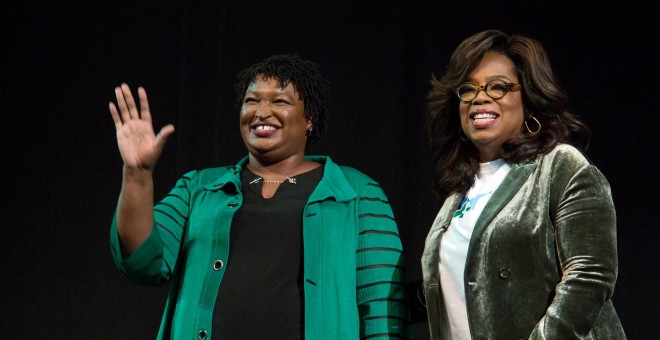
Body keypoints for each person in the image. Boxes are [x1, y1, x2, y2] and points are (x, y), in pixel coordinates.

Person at [108, 54, 411, 339]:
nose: (261, 112)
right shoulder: (198, 188)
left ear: (310, 119)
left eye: (280, 101)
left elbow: (384, 311)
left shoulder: (357, 194)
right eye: (251, 100)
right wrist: (137, 174)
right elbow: (142, 261)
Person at [420, 30, 626, 339]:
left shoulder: (560, 166)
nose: (480, 97)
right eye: (468, 89)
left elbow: (590, 275)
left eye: (498, 87)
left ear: (529, 99)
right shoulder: (457, 195)